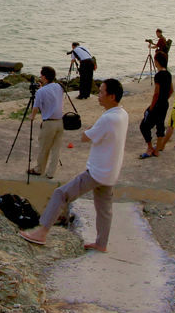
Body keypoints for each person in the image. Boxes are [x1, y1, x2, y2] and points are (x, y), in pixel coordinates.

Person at [18, 79, 128, 252]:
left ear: (112, 96)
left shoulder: (108, 118)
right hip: (111, 172)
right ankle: (101, 243)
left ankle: (42, 232)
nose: (98, 96)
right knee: (104, 209)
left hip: (97, 172)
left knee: (60, 194)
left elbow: (85, 137)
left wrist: (89, 130)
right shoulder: (122, 114)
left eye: (101, 92)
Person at [29, 66, 65, 179]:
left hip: (49, 123)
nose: (40, 77)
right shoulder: (59, 86)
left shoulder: (41, 91)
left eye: (41, 76)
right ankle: (51, 173)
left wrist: (32, 117)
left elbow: (35, 108)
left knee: (44, 148)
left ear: (44, 77)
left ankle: (39, 169)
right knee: (56, 149)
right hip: (60, 121)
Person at [139, 52, 172, 159]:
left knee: (144, 125)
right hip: (164, 104)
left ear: (157, 61)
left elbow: (156, 93)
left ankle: (149, 147)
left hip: (157, 104)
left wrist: (152, 107)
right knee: (160, 125)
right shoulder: (168, 74)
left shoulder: (158, 75)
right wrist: (164, 99)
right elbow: (171, 90)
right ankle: (157, 150)